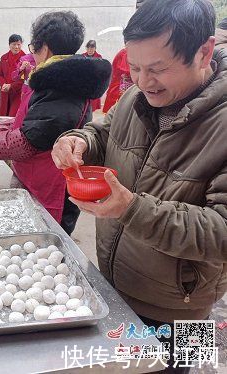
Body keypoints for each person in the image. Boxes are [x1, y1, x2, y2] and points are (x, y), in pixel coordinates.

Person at [51, 1, 226, 371]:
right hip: (115, 285)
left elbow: (222, 233)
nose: (145, 80)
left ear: (204, 51)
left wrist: (131, 210)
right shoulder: (135, 97)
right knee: (120, 366)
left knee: (176, 368)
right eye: (135, 67)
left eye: (158, 68)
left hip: (182, 310)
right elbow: (104, 131)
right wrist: (78, 140)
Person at [0, 12, 111, 235]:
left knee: (42, 246)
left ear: (44, 48)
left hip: (49, 187)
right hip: (33, 178)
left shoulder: (63, 86)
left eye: (32, 48)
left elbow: (25, 142)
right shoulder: (55, 79)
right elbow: (33, 123)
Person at [0, 34, 26, 117]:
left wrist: (11, 86)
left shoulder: (25, 59)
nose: (16, 47)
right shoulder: (4, 58)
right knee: (2, 117)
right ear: (9, 45)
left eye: (18, 44)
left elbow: (23, 79)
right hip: (5, 92)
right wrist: (3, 85)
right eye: (14, 44)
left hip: (17, 93)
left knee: (13, 117)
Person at [102, 47, 133, 113]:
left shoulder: (127, 52)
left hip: (120, 85)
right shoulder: (124, 53)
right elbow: (126, 71)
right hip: (121, 87)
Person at [82, 40, 103, 111]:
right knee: (84, 102)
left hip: (94, 82)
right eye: (88, 48)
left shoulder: (99, 57)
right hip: (84, 81)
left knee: (92, 104)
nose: (89, 50)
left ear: (95, 48)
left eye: (91, 48)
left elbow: (99, 70)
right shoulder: (82, 56)